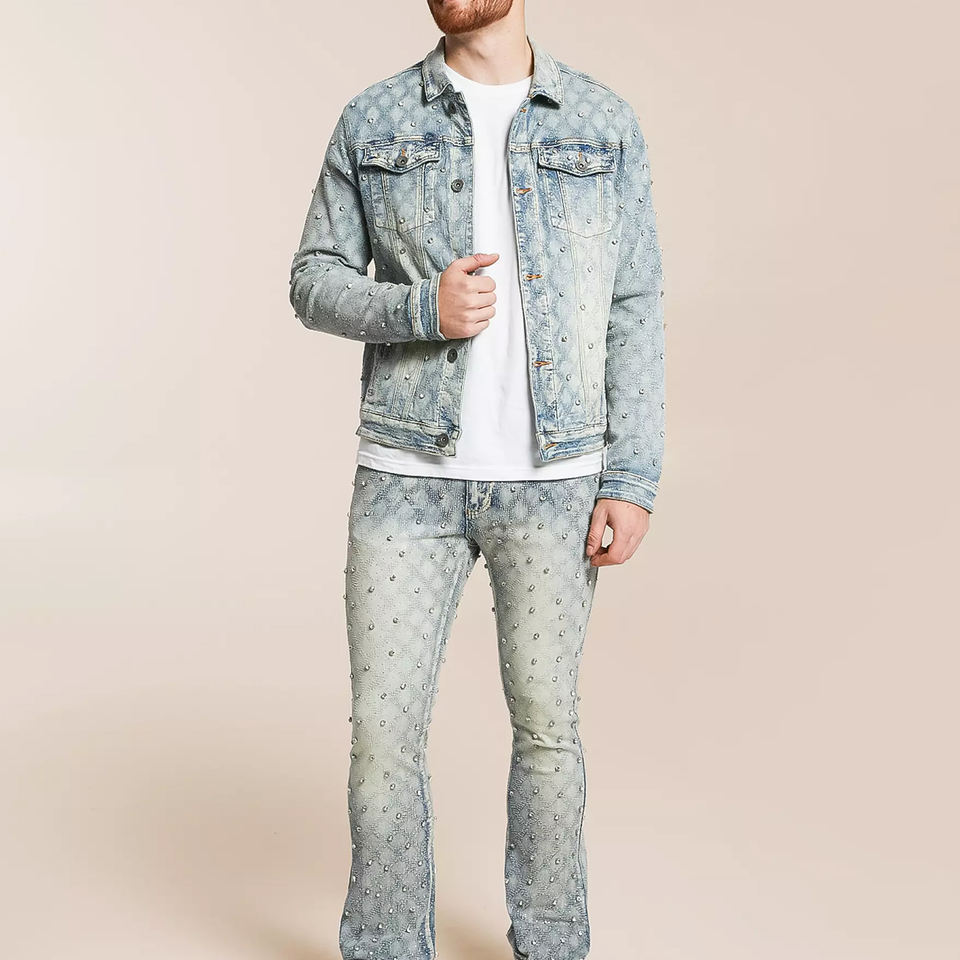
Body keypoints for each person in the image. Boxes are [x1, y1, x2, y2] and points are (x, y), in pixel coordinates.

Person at [288, 2, 665, 957]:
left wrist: (631, 475)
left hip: (558, 481)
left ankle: (551, 946)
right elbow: (312, 278)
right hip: (405, 477)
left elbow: (634, 304)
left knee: (547, 729)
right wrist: (423, 307)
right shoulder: (373, 118)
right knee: (383, 737)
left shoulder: (602, 122)